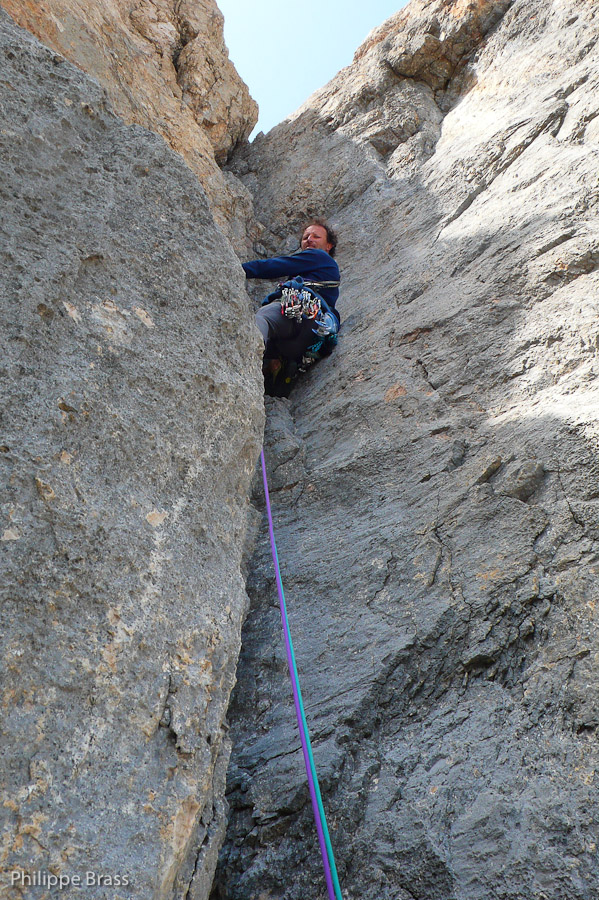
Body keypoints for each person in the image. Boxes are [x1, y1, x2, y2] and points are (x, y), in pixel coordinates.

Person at [242, 219, 340, 390]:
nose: (309, 239)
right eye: (305, 237)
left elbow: (273, 266)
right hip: (308, 338)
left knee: (263, 319)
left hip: (298, 315)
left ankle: (245, 358)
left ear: (328, 246)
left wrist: (236, 268)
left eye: (316, 236)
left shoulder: (319, 257)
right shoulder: (323, 272)